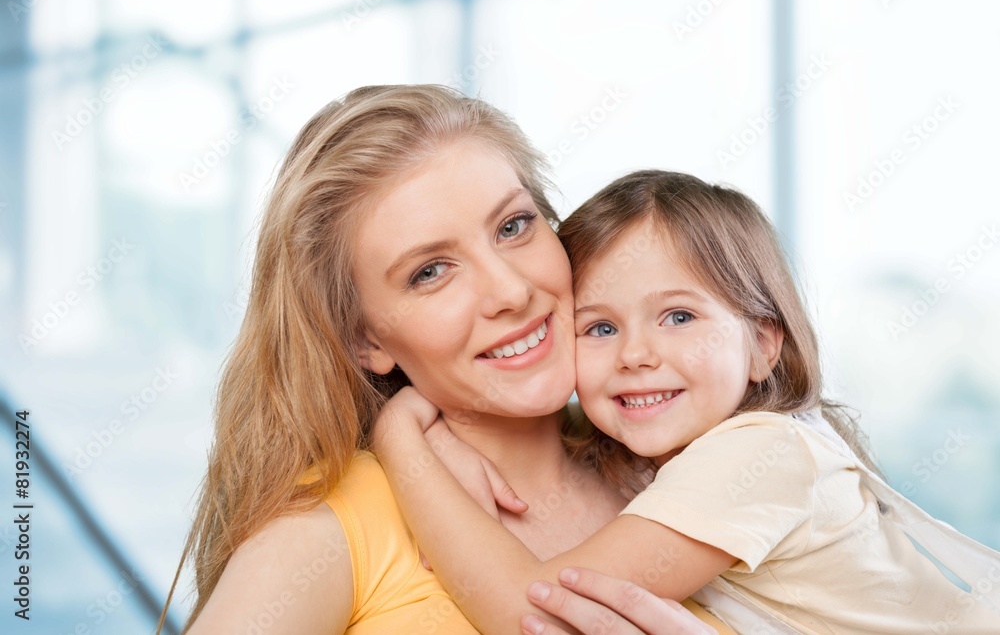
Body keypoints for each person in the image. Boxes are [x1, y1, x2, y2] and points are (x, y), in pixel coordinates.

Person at [159, 87, 730, 634]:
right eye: (429, 272)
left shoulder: (681, 457)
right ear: (367, 341)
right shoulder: (329, 529)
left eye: (513, 226)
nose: (510, 291)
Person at [373, 170, 1000, 634]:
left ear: (761, 345)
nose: (636, 355)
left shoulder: (759, 454)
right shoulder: (663, 451)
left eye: (678, 316)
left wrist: (401, 439)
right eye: (600, 328)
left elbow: (537, 613)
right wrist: (452, 437)